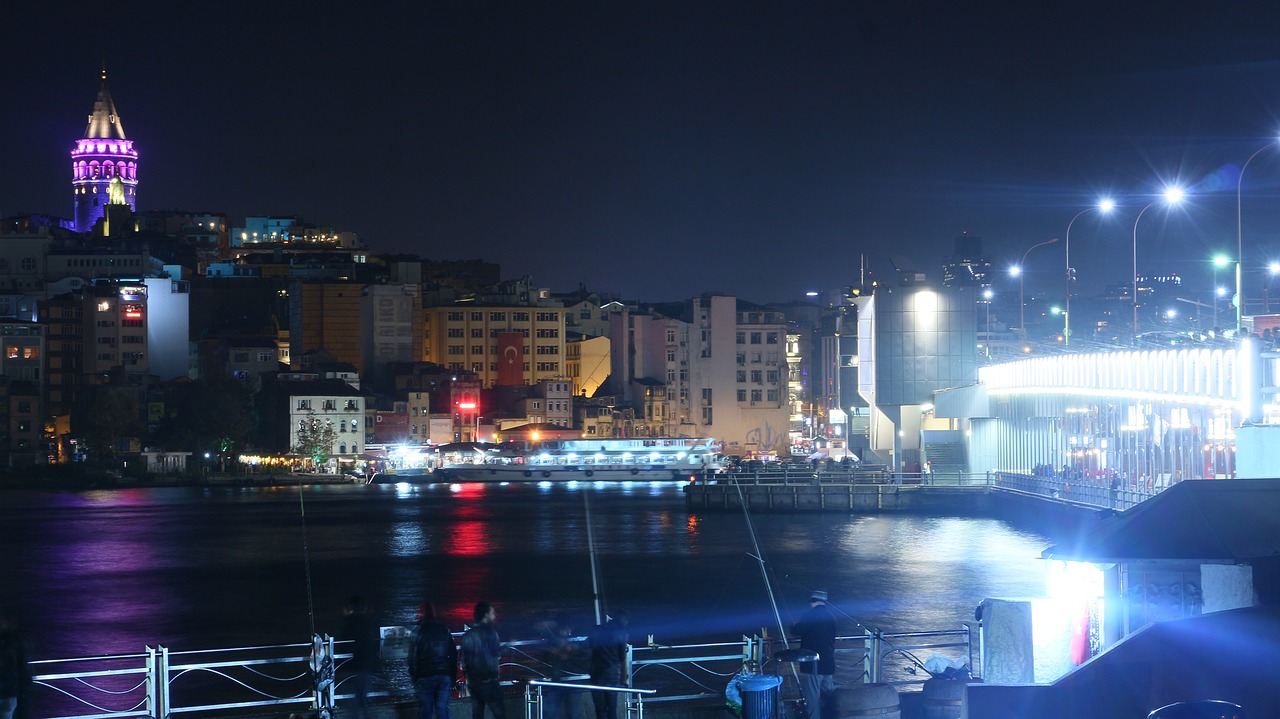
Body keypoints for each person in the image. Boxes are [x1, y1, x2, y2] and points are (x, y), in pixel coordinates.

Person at [792, 591, 836, 719]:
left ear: (812, 601)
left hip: (813, 665)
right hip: (828, 663)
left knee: (812, 699)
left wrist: (794, 624)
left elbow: (796, 631)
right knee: (829, 696)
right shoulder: (831, 616)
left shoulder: (810, 616)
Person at [410, 602, 458, 719]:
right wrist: (452, 676)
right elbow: (453, 654)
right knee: (442, 710)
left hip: (425, 675)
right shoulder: (444, 630)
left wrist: (415, 677)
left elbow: (412, 658)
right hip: (444, 675)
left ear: (421, 614)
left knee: (425, 710)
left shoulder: (417, 632)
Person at [460, 602, 505, 719]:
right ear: (485, 615)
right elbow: (497, 653)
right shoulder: (491, 633)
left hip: (473, 682)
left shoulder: (467, 635)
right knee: (500, 713)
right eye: (492, 613)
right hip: (490, 681)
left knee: (477, 714)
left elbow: (463, 661)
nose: (494, 616)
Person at [341, 596, 380, 719]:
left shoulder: (345, 623)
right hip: (365, 668)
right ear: (363, 608)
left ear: (349, 608)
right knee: (365, 703)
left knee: (352, 706)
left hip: (349, 669)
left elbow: (339, 645)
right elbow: (376, 645)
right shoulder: (369, 623)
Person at [588, 610, 630, 719]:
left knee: (600, 708)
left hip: (596, 672)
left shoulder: (596, 630)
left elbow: (588, 646)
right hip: (613, 674)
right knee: (612, 707)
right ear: (624, 621)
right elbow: (622, 657)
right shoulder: (621, 633)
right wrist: (624, 678)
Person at [540, 614, 578, 719]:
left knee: (569, 711)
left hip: (567, 678)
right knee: (553, 710)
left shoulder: (571, 639)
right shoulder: (555, 638)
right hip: (561, 678)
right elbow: (546, 655)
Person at [0, 616, 30, 719]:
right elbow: (22, 667)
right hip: (9, 691)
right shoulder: (15, 643)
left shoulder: (14, 643)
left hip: (9, 692)